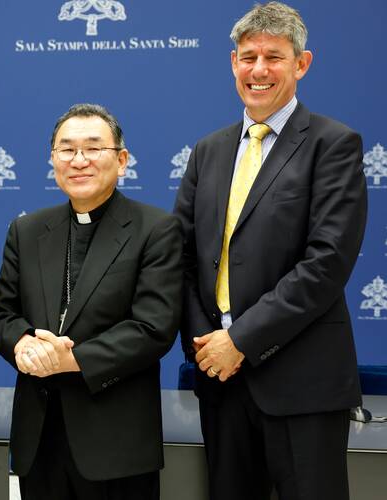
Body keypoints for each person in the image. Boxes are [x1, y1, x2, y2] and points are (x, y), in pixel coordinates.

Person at [173, 3, 367, 499]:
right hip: (221, 380)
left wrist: (240, 340)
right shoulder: (208, 150)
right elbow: (180, 258)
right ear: (233, 62)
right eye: (248, 56)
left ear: (301, 64)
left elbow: (326, 264)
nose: (258, 70)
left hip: (302, 383)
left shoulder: (334, 145)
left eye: (274, 57)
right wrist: (206, 347)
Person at [0, 103, 182, 500]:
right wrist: (23, 343)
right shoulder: (27, 230)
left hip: (116, 442)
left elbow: (152, 328)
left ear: (122, 160)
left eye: (93, 148)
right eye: (66, 149)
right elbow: (3, 315)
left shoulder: (156, 229)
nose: (79, 160)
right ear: (53, 159)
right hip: (39, 440)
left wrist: (68, 360)